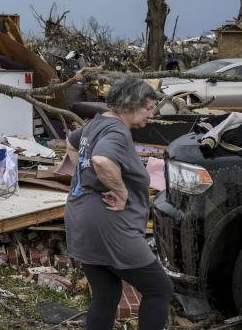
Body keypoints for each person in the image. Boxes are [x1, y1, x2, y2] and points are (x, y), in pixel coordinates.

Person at [64, 78, 171, 330]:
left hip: (82, 218)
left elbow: (71, 143)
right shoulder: (117, 131)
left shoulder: (97, 123)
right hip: (109, 227)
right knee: (159, 289)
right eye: (148, 108)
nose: (151, 115)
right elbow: (101, 160)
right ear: (130, 104)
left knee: (106, 294)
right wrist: (120, 191)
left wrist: (84, 175)